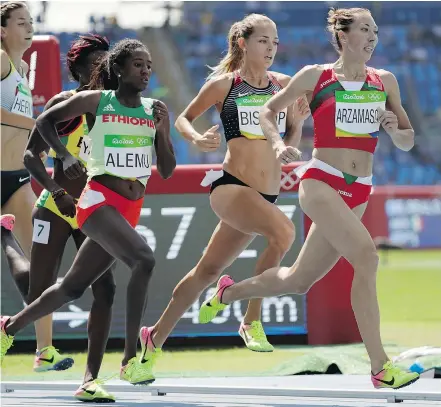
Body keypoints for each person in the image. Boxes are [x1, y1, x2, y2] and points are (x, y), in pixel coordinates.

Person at [197, 7, 420, 390]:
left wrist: (393, 129)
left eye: (376, 31)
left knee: (298, 280)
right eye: (366, 30)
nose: (373, 37)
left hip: (360, 188)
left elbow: (407, 138)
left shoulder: (385, 81)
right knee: (366, 256)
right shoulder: (315, 77)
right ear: (343, 35)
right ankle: (381, 367)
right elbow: (268, 111)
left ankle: (229, 292)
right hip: (321, 182)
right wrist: (280, 143)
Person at [135, 13, 310, 378]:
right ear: (243, 43)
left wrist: (298, 126)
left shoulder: (284, 85)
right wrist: (196, 138)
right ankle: (249, 319)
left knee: (208, 270)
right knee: (284, 234)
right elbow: (183, 117)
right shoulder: (224, 85)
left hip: (266, 195)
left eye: (275, 42)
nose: (272, 48)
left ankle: (154, 338)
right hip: (231, 186)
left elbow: (289, 141)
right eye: (264, 41)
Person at [0, 39, 176, 391]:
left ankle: (11, 330)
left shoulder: (154, 109)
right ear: (120, 68)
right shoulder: (93, 101)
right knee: (143, 259)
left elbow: (168, 170)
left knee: (72, 288)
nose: (145, 71)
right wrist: (63, 159)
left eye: (149, 65)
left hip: (128, 208)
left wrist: (162, 131)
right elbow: (43, 125)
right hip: (91, 202)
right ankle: (130, 362)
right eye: (138, 64)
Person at [23, 34, 117, 401]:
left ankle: (91, 377)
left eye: (106, 61)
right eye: (95, 62)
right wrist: (59, 175)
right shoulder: (64, 103)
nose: (102, 68)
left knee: (106, 290)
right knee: (37, 290)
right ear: (77, 68)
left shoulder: (114, 107)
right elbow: (31, 157)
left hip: (92, 210)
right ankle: (5, 239)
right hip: (56, 206)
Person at [0, 0, 57, 360]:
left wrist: (41, 145)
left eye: (31, 21)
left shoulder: (21, 67)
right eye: (21, 22)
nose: (29, 26)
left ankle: (45, 350)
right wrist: (37, 125)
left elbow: (21, 122)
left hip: (17, 177)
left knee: (39, 265)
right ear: (2, 30)